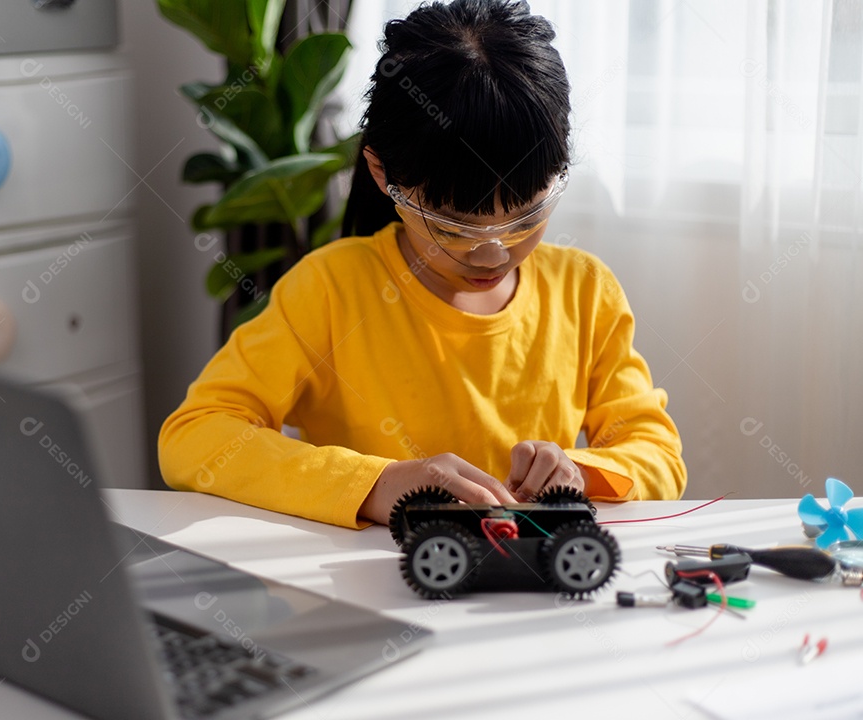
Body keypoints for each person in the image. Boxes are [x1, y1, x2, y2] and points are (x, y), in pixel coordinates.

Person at [159, 0, 686, 529]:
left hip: (530, 597)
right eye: (455, 226)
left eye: (526, 217)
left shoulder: (584, 291)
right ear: (383, 174)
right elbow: (196, 435)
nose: (492, 252)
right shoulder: (330, 289)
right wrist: (372, 485)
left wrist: (580, 472)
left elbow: (657, 452)